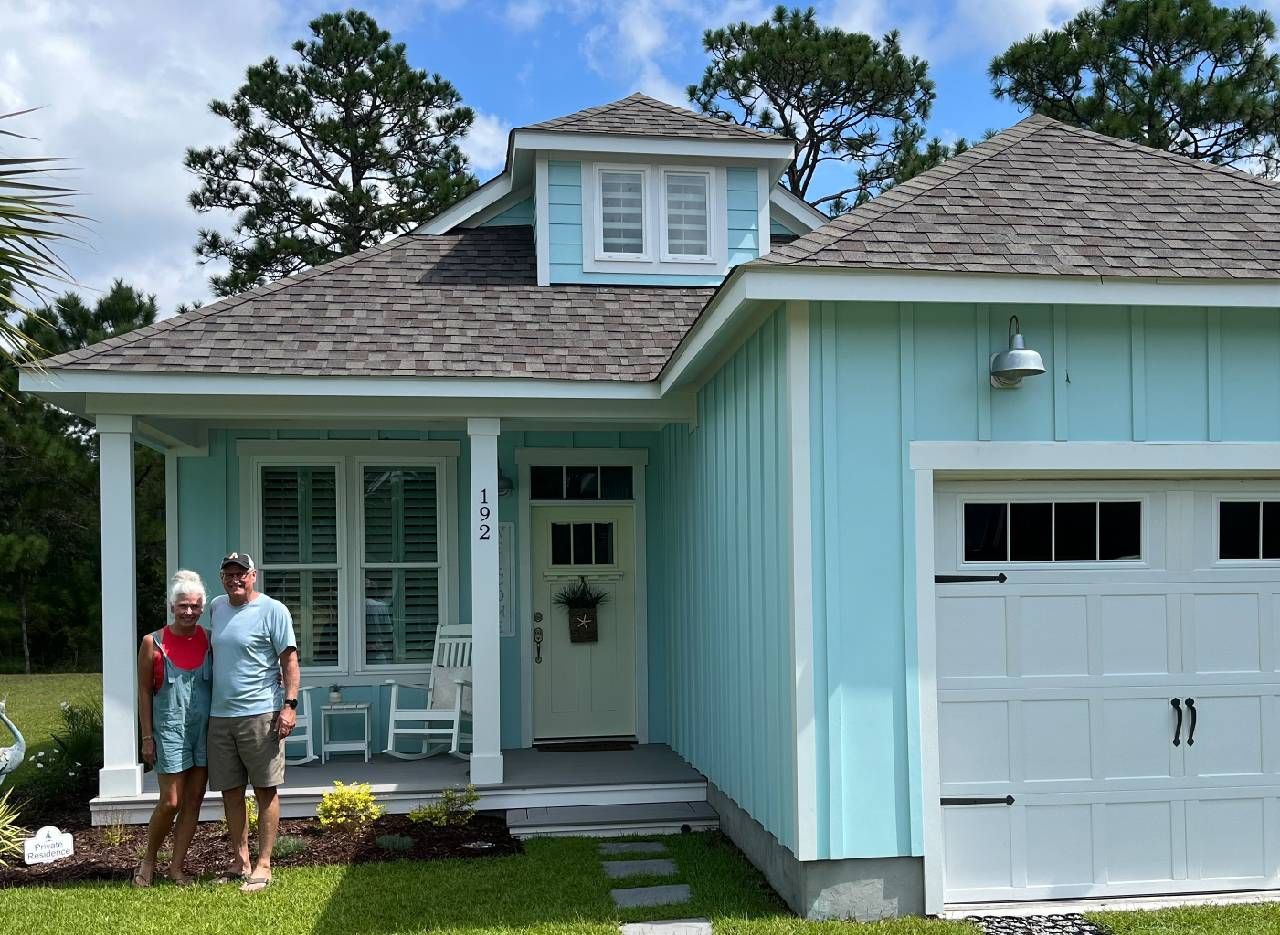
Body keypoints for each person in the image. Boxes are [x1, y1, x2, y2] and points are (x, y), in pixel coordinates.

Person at [206, 551, 299, 893]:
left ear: (253, 575)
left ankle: (264, 863)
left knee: (264, 789)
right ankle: (240, 860)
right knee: (230, 791)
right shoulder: (216, 607)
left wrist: (289, 706)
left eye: (241, 573)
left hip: (261, 713)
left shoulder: (273, 610)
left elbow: (290, 662)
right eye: (229, 574)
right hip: (220, 716)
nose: (235, 579)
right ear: (222, 578)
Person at [134, 569, 212, 887]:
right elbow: (143, 691)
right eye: (183, 606)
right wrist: (147, 736)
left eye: (194, 606)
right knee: (171, 801)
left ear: (202, 608)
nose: (188, 611)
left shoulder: (209, 639)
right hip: (169, 730)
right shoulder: (153, 643)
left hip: (204, 730)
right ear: (171, 606)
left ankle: (177, 868)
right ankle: (148, 861)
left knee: (194, 799)